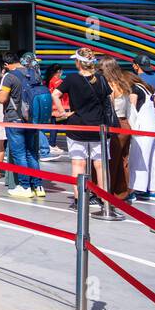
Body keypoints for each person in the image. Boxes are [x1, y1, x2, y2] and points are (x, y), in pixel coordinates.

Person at [52, 47, 111, 207]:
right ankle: (104, 199)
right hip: (98, 126)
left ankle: (79, 200)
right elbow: (108, 98)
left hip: (77, 125)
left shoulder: (72, 79)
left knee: (78, 164)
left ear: (78, 62)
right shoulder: (101, 78)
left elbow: (55, 94)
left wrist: (63, 113)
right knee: (100, 165)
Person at [0, 52, 43, 198]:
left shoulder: (9, 76)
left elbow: (2, 98)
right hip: (32, 119)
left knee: (19, 154)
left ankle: (25, 187)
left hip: (15, 118)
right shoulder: (33, 73)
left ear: (6, 65)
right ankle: (38, 186)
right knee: (32, 153)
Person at [99, 56, 136, 199]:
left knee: (110, 161)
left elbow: (109, 108)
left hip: (114, 125)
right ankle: (123, 191)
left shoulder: (110, 86)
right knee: (123, 160)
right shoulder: (124, 83)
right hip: (126, 124)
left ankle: (109, 192)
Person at [39, 63, 66, 160]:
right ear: (58, 71)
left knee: (54, 125)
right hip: (58, 107)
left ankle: (51, 144)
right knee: (55, 126)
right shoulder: (58, 81)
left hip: (51, 106)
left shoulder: (48, 80)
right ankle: (52, 144)